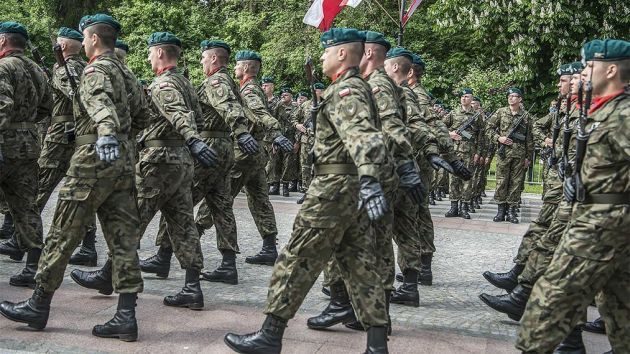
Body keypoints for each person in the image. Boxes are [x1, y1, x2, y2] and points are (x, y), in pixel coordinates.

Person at [223, 27, 391, 354]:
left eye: (327, 51)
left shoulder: (347, 91)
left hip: (333, 188)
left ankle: (271, 335)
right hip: (350, 188)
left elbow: (363, 136)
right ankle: (376, 344)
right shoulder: (354, 88)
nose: (323, 57)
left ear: (342, 53)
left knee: (296, 257)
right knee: (360, 265)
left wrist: (370, 178)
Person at [0, 14, 145, 341]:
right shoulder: (125, 71)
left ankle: (38, 304)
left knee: (62, 231)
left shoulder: (95, 70)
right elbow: (145, 113)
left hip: (93, 156)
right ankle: (126, 315)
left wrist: (105, 133)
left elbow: (98, 102)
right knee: (123, 238)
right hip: (122, 160)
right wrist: (121, 138)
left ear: (92, 39)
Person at [516, 38, 630, 354]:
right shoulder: (603, 109)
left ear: (610, 70)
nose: (585, 71)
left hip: (603, 221)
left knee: (552, 295)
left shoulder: (623, 114)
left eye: (590, 66)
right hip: (601, 218)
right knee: (621, 304)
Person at [141, 39, 257, 285]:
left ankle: (163, 255)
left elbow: (228, 108)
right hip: (223, 146)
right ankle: (228, 264)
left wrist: (242, 132)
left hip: (209, 147)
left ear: (214, 58)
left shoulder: (216, 81)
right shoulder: (225, 81)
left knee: (177, 201)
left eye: (204, 58)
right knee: (221, 205)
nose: (201, 62)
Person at [480, 62, 577, 296]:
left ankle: (522, 285)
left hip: (565, 178)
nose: (560, 84)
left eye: (567, 79)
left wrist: (532, 156)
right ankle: (521, 283)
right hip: (516, 159)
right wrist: (500, 139)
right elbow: (489, 130)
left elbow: (535, 136)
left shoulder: (530, 115)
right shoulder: (502, 113)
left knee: (519, 190)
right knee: (542, 227)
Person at [0, 21, 52, 286]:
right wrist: (27, 123)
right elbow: (47, 106)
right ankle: (33, 267)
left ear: (3, 41)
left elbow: (2, 105)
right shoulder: (36, 70)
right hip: (29, 144)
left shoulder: (3, 67)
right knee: (26, 207)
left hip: (4, 142)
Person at [487, 87, 534, 224]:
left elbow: (529, 138)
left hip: (519, 155)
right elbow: (487, 128)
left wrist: (528, 157)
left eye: (514, 96)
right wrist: (498, 138)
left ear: (520, 99)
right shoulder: (501, 112)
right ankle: (500, 211)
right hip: (504, 153)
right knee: (501, 181)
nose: (511, 98)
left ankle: (512, 212)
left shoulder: (526, 116)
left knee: (516, 183)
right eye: (509, 95)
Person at [443, 88, 484, 219]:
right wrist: (451, 134)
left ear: (472, 99)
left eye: (467, 96)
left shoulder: (476, 116)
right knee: (453, 179)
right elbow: (440, 126)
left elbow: (481, 135)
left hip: (469, 151)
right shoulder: (453, 113)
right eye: (462, 96)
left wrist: (478, 153)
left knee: (466, 179)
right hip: (454, 152)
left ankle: (464, 207)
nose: (464, 98)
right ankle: (453, 207)